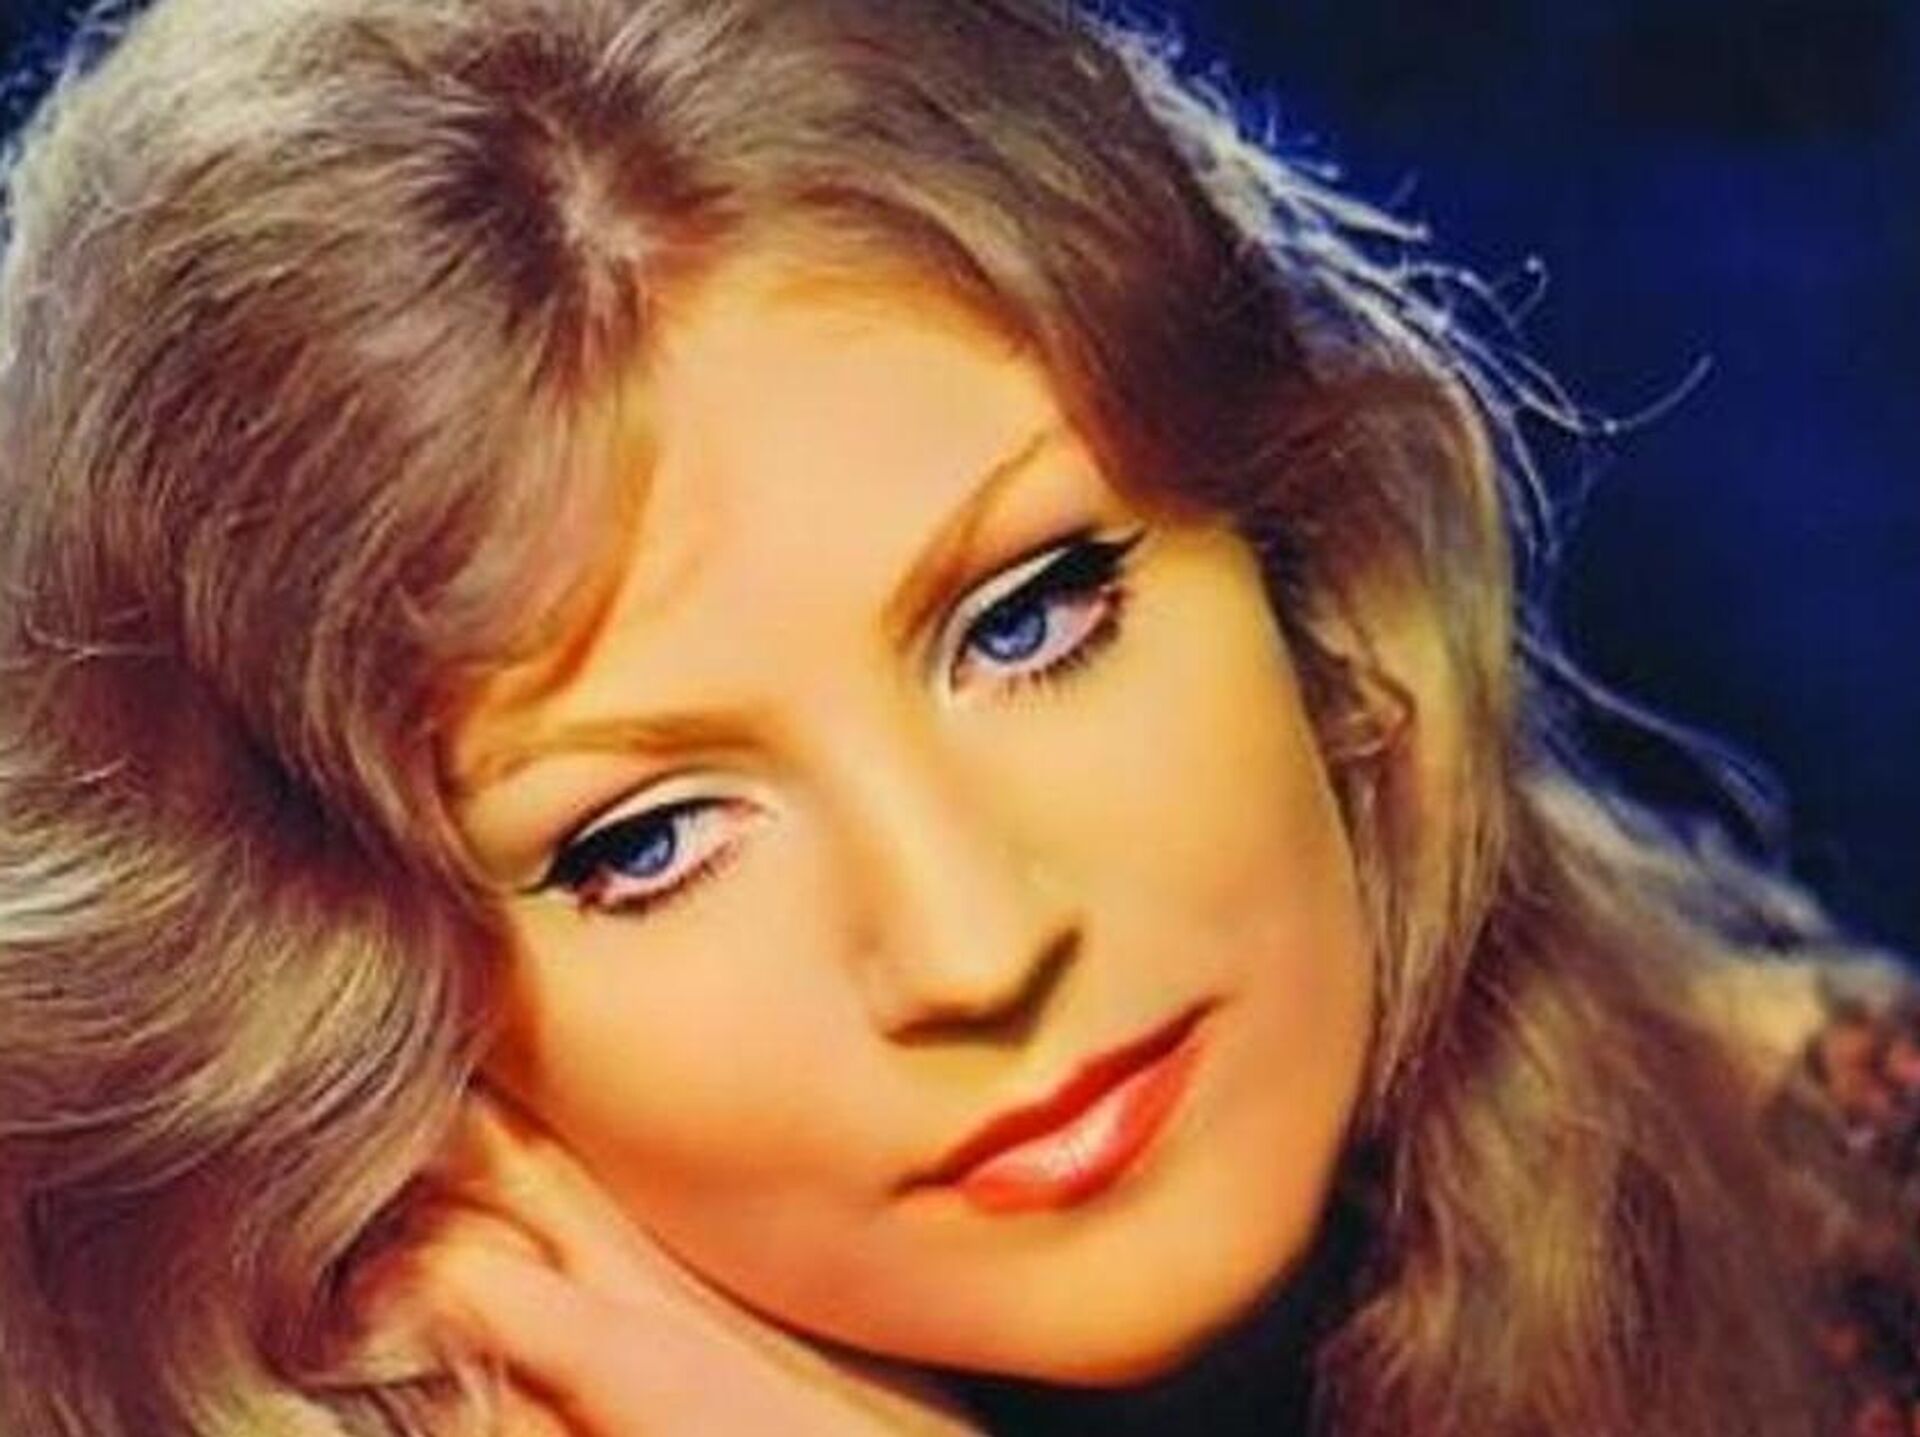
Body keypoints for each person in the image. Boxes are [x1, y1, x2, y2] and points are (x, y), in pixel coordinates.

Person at [0, 1, 1914, 1434]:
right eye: (644, 841)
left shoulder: (1861, 1199)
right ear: (333, 1016)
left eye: (1032, 618)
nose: (978, 947)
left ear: (1291, 561)